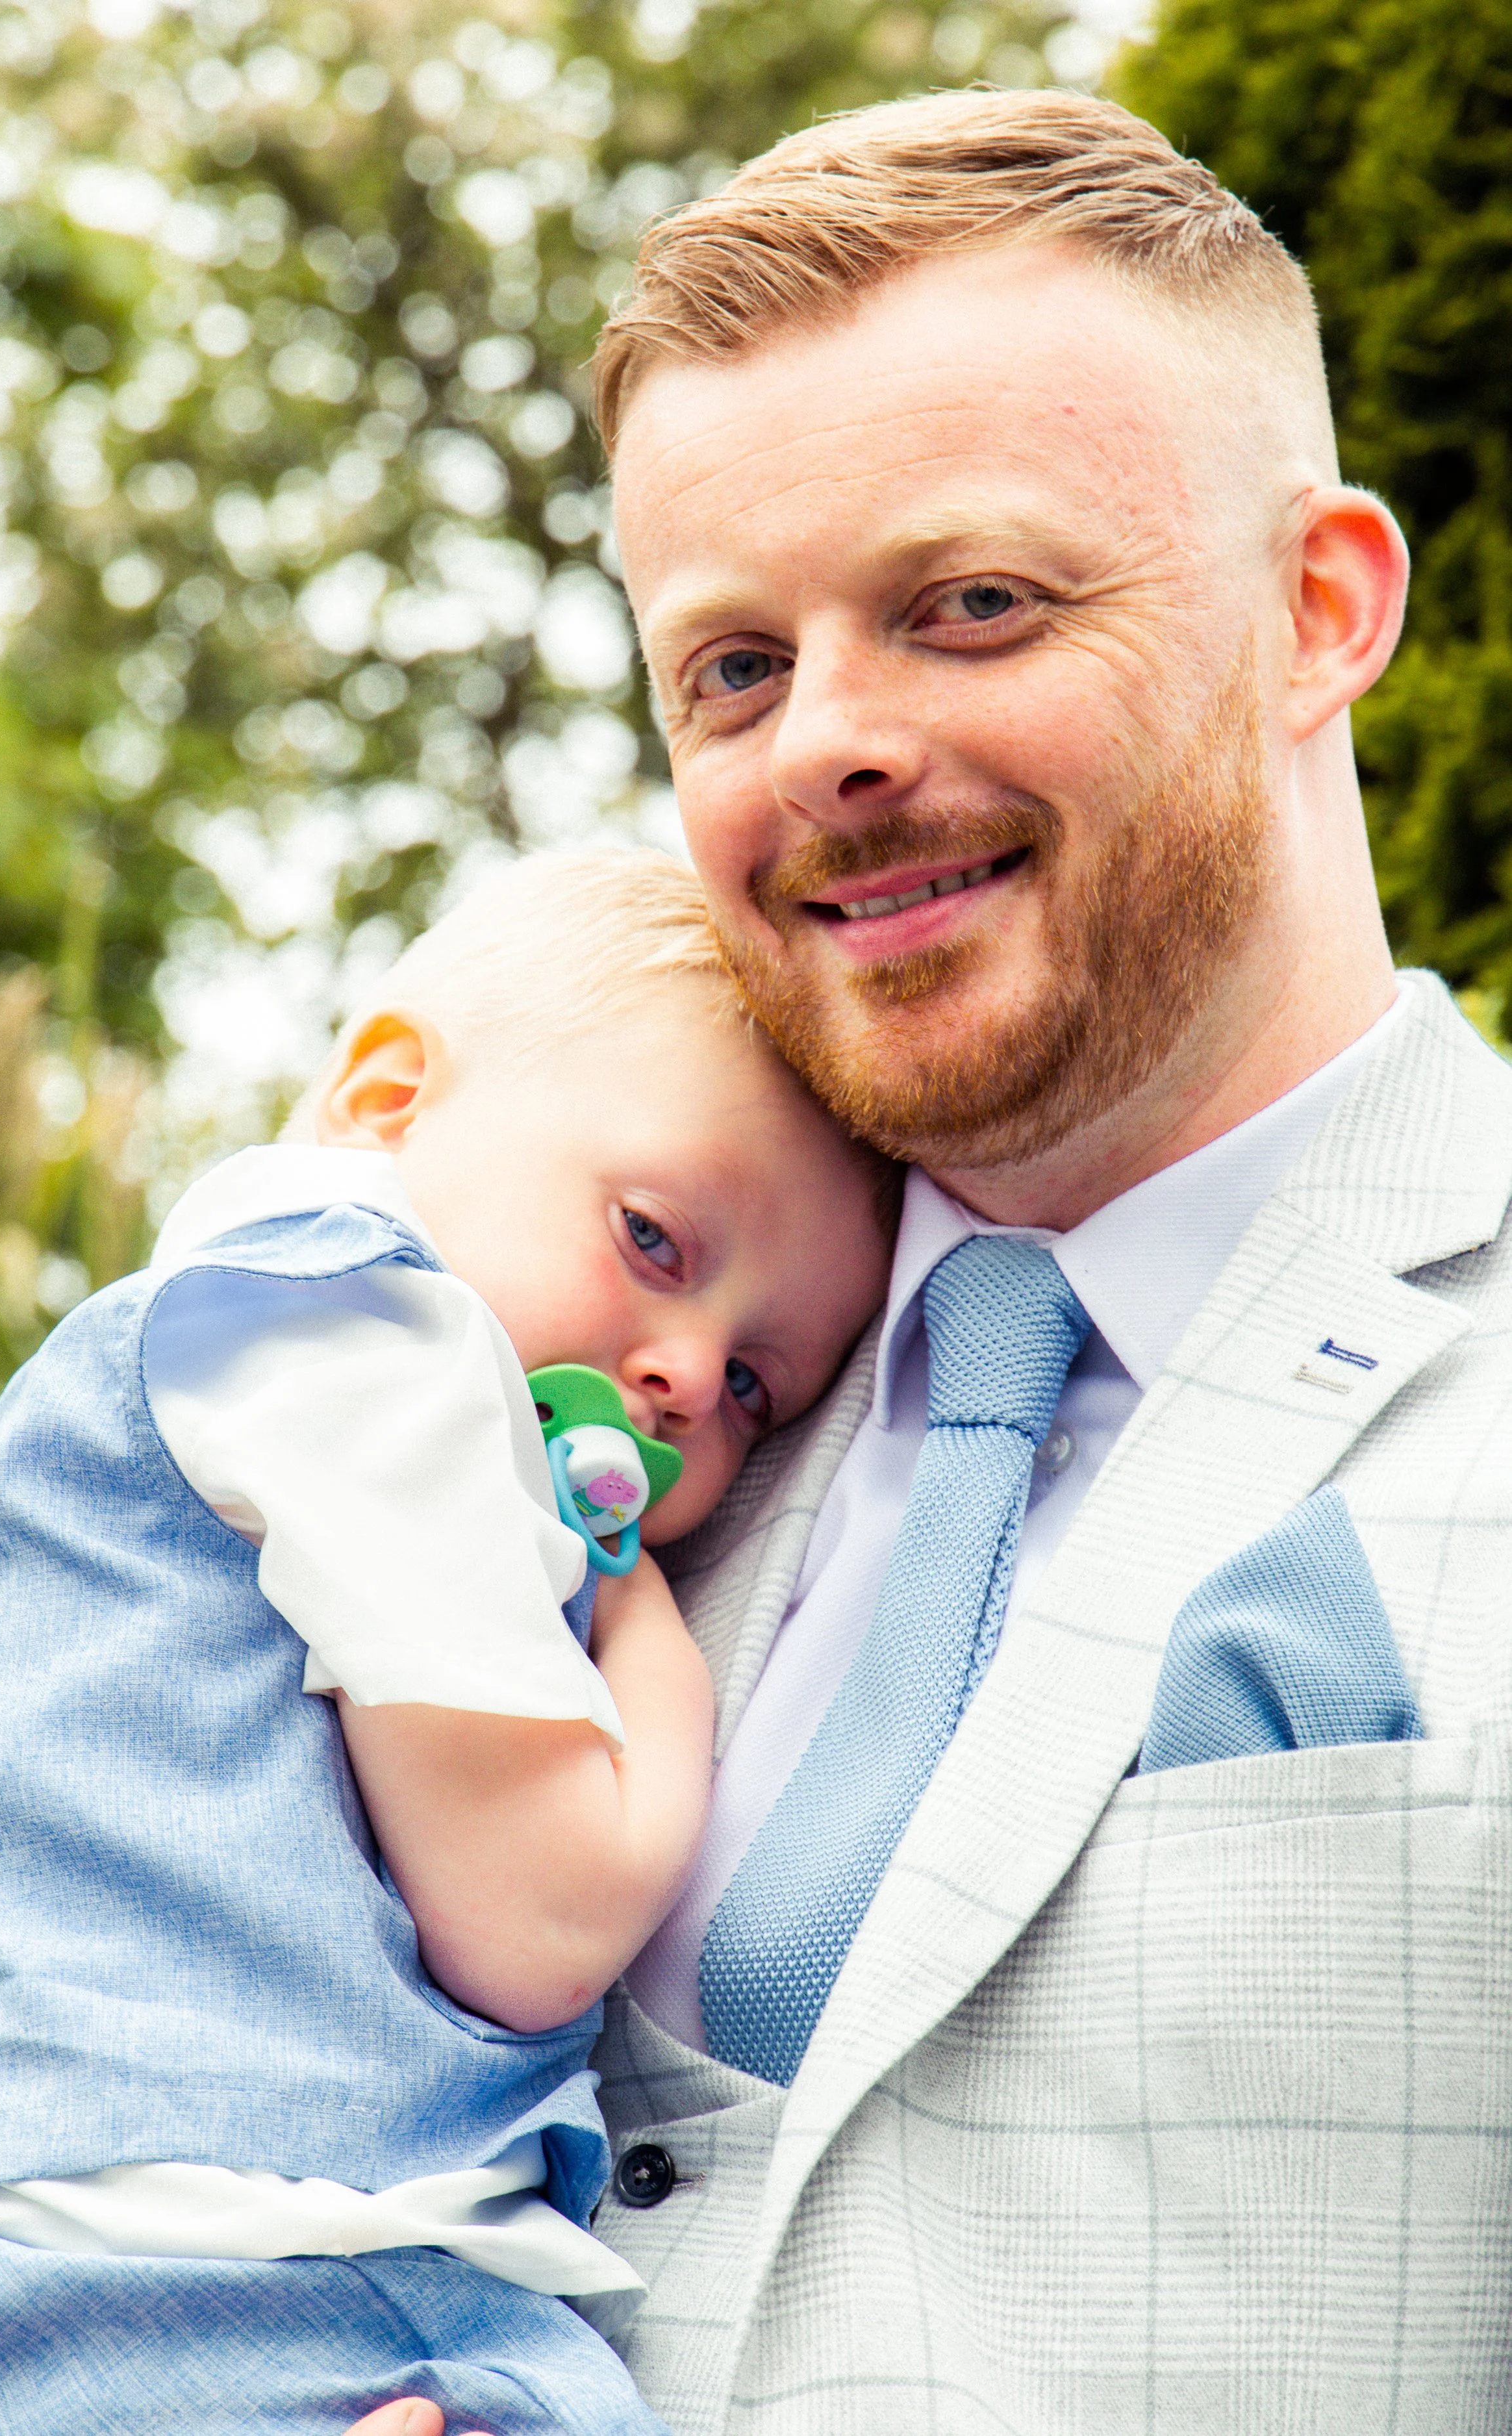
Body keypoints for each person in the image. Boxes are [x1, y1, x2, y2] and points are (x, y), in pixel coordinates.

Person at [559, 85, 1511, 2435]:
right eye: (735, 670)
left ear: (1321, 614)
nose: (833, 750)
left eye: (970, 605)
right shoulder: (599, 1383)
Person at [0, 850, 893, 2435]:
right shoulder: (368, 1339)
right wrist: (646, 1630)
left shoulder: (203, 1364)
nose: (687, 1378)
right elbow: (540, 1918)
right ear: (382, 1101)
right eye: (651, 1239)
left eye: (759, 1383)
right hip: (212, 2279)